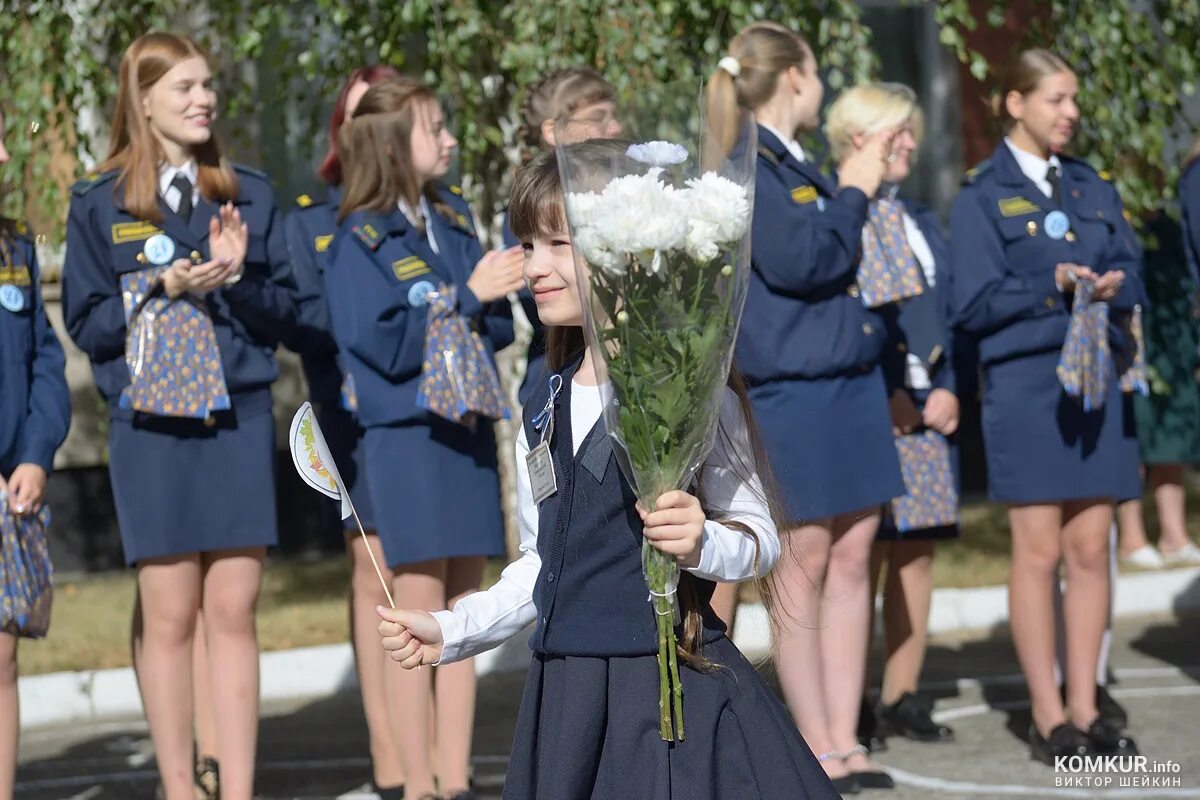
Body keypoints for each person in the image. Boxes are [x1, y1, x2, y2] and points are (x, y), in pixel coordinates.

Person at [376, 147, 840, 800]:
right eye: (526, 246)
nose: (534, 267)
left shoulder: (689, 389)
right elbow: (546, 562)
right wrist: (453, 629)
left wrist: (702, 540)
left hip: (669, 697)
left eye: (557, 244)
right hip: (568, 699)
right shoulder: (542, 403)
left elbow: (760, 537)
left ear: (622, 249)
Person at [61, 32, 297, 800]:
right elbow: (88, 325)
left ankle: (238, 789)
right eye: (184, 89)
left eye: (208, 87)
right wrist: (155, 287)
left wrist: (233, 276)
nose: (203, 101)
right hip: (151, 426)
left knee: (232, 608)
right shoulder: (99, 204)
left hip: (235, 417)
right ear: (144, 101)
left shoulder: (249, 193)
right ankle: (179, 785)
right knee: (169, 615)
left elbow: (286, 313)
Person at [710, 21, 902, 792]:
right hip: (790, 391)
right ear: (794, 76)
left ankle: (846, 735)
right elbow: (808, 259)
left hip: (846, 384)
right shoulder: (749, 162)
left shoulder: (799, 162)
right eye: (817, 72)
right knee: (803, 563)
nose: (822, 86)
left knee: (855, 555)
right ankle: (816, 744)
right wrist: (856, 187)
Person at [323, 77, 521, 800]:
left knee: (461, 617)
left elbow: (498, 328)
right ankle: (415, 785)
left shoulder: (453, 217)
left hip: (464, 432)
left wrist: (495, 294)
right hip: (406, 439)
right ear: (391, 145)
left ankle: (454, 778)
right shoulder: (360, 238)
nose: (450, 140)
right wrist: (469, 295)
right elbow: (382, 345)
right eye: (433, 128)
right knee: (415, 617)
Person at [949, 48, 1142, 763]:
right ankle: (1047, 714)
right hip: (1029, 388)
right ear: (1015, 103)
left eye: (1074, 101)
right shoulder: (980, 195)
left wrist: (1119, 283)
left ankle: (1089, 709)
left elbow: (1137, 267)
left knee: (1092, 548)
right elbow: (969, 302)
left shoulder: (1091, 186)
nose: (1070, 114)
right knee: (1038, 551)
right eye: (1055, 99)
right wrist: (1050, 284)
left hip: (1097, 383)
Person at [282, 63, 407, 800]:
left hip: (423, 415)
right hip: (350, 417)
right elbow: (310, 320)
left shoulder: (430, 212)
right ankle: (390, 759)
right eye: (361, 116)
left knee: (423, 578)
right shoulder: (312, 218)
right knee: (375, 572)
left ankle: (433, 759)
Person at [825, 82, 961, 747]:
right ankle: (851, 705)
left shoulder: (920, 219)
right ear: (859, 138)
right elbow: (848, 317)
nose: (910, 142)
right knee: (863, 554)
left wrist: (951, 385)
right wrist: (885, 394)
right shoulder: (840, 210)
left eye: (910, 131)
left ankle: (904, 694)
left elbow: (948, 314)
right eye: (896, 132)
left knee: (915, 553)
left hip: (928, 407)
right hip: (870, 404)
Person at [0, 107, 71, 800]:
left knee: (1, 657)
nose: (0, 153)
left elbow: (45, 361)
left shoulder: (15, 246)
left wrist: (35, 453)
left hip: (8, 485)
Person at [507, 67, 621, 406]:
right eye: (597, 118)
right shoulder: (545, 405)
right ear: (552, 131)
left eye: (559, 243)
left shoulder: (673, 385)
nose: (614, 127)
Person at [1117, 138, 1200, 568]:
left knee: (1172, 438)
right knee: (1133, 438)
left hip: (1172, 346)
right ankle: (1131, 537)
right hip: (1132, 345)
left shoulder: (1167, 229)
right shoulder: (1119, 228)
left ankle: (1174, 533)